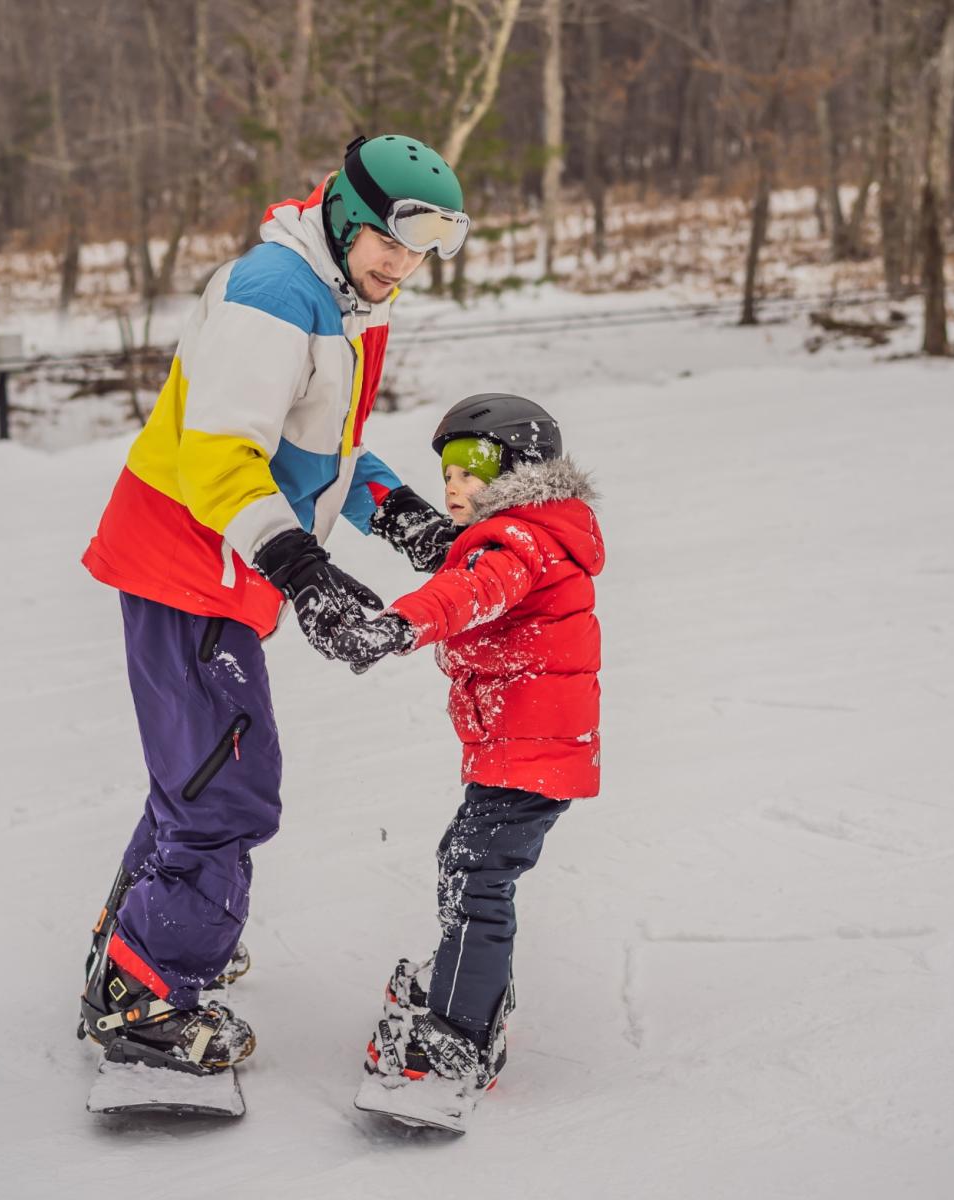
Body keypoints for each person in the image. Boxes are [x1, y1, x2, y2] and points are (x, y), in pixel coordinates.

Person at [77, 134, 472, 1076]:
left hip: (219, 565)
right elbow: (219, 455)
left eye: (422, 252)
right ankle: (144, 995)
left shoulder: (340, 297)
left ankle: (138, 939)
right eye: (391, 241)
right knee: (227, 787)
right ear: (345, 215)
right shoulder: (275, 294)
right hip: (191, 562)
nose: (402, 266)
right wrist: (300, 567)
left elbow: (318, 444)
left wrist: (400, 515)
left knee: (197, 770)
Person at [331, 393, 604, 1115]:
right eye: (446, 470)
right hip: (523, 752)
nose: (452, 485)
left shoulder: (516, 543)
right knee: (466, 861)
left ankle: (460, 1030)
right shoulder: (532, 531)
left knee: (478, 877)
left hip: (531, 754)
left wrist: (395, 625)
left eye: (471, 469)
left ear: (517, 471)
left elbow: (468, 592)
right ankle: (472, 979)